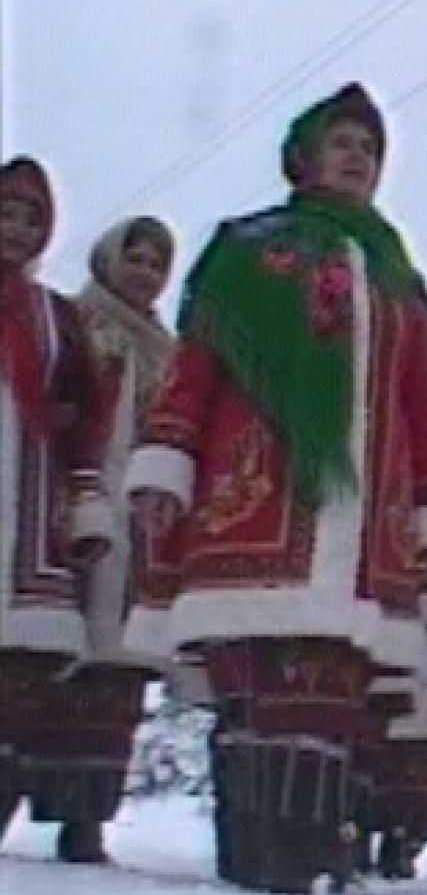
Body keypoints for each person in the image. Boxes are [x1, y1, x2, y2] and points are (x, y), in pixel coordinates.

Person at [124, 84, 427, 892]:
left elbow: (421, 404)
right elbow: (196, 368)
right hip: (260, 496)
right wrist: (167, 465)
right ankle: (250, 844)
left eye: (371, 147)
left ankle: (303, 851)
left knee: (328, 691)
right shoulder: (250, 250)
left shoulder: (399, 276)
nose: (358, 157)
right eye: (344, 142)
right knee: (254, 682)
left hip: (365, 521)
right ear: (304, 156)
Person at [25, 217, 177, 864]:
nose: (143, 272)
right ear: (106, 261)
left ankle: (86, 820)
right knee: (49, 663)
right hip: (74, 503)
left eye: (154, 263)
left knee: (116, 675)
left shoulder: (167, 350)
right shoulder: (76, 324)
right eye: (133, 258)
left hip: (138, 525)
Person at [0, 157, 112, 845]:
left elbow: (86, 419)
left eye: (31, 218)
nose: (16, 228)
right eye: (5, 213)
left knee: (20, 676)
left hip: (31, 516)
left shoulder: (59, 319)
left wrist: (86, 503)